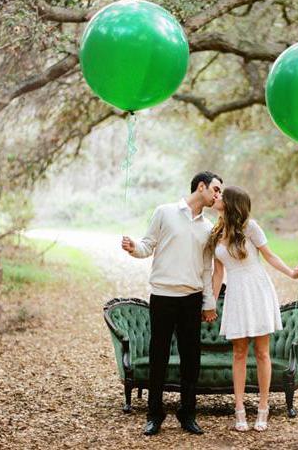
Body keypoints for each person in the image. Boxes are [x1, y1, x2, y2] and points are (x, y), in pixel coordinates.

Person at [121, 171, 222, 436]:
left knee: (191, 359)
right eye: (215, 189)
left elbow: (207, 269)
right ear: (201, 187)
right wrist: (133, 247)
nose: (217, 195)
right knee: (159, 356)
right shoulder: (164, 212)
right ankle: (154, 415)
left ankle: (187, 413)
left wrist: (208, 302)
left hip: (191, 300)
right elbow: (147, 245)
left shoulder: (207, 227)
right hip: (163, 296)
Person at [205, 185, 298, 432]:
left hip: (258, 290)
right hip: (237, 293)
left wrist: (291, 273)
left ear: (230, 203)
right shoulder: (216, 231)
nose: (216, 196)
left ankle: (263, 408)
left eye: (221, 195)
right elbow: (218, 273)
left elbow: (269, 256)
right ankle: (239, 409)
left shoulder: (250, 227)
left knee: (262, 352)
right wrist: (210, 302)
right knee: (239, 352)